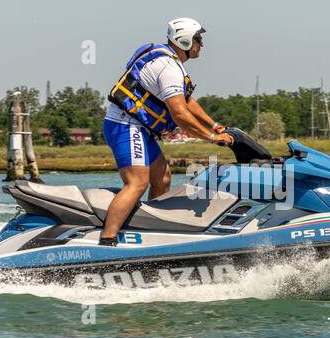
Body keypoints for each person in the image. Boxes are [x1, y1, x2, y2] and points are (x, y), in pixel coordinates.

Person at [100, 18, 233, 246]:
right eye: (198, 40)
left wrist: (214, 125)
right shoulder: (169, 68)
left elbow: (187, 101)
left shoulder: (170, 63)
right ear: (185, 41)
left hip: (136, 127)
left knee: (162, 179)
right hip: (125, 125)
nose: (201, 45)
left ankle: (148, 228)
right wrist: (211, 138)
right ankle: (107, 240)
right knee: (137, 183)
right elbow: (180, 115)